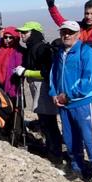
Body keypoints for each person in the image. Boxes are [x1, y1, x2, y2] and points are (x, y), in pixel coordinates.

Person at [45, 0, 92, 143]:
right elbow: (62, 22)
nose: (89, 16)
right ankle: (78, 134)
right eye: (86, 13)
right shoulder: (80, 26)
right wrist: (51, 6)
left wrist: (82, 46)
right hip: (81, 71)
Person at [49, 20, 92, 182]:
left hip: (83, 104)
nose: (66, 35)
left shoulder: (86, 52)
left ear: (78, 34)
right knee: (70, 138)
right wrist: (53, 93)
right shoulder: (60, 52)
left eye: (70, 32)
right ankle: (77, 168)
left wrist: (68, 95)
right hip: (65, 105)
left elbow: (89, 80)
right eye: (63, 32)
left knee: (91, 139)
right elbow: (54, 75)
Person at [13, 21, 63, 164]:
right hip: (39, 89)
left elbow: (47, 73)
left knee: (48, 122)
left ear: (34, 33)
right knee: (45, 121)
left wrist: (26, 72)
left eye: (25, 32)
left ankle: (55, 155)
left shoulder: (41, 49)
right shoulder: (33, 48)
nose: (21, 35)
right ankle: (52, 151)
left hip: (44, 89)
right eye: (21, 32)